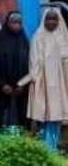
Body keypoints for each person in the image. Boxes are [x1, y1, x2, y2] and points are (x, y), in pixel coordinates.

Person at [26, 8, 68, 150]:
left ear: (59, 21)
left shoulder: (64, 37)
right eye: (48, 19)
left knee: (57, 115)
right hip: (43, 83)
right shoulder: (38, 37)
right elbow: (34, 62)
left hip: (61, 83)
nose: (51, 22)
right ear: (43, 20)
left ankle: (55, 147)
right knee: (43, 114)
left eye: (54, 19)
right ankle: (44, 150)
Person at [0, 11, 30, 130]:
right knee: (2, 117)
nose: (16, 25)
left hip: (21, 89)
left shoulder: (24, 41)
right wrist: (2, 84)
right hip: (2, 89)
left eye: (19, 22)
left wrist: (22, 85)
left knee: (20, 117)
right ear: (7, 23)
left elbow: (30, 65)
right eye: (13, 22)